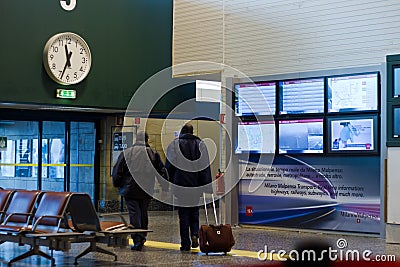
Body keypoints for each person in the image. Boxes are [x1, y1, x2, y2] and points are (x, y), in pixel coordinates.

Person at [112, 131, 168, 251]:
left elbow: (117, 171)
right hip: (146, 188)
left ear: (136, 140)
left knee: (134, 213)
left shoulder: (127, 152)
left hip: (129, 189)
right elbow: (161, 171)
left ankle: (137, 239)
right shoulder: (153, 153)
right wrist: (165, 187)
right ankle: (143, 235)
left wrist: (117, 184)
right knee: (143, 212)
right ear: (147, 140)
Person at [165, 123, 212, 251]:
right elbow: (204, 166)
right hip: (196, 185)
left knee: (183, 214)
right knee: (194, 211)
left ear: (182, 131)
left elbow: (169, 165)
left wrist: (168, 182)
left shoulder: (175, 144)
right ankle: (195, 234)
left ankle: (185, 243)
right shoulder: (200, 144)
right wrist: (206, 185)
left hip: (180, 185)